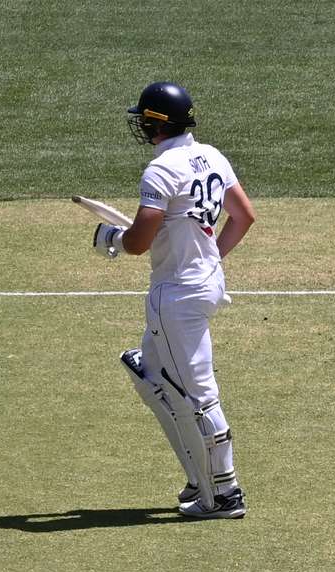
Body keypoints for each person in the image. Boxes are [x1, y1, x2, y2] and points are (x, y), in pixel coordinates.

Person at [93, 81, 256, 517]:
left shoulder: (161, 169)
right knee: (150, 375)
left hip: (177, 296)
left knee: (200, 395)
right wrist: (210, 260)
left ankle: (225, 495)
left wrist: (111, 240)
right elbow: (243, 216)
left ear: (154, 124)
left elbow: (140, 240)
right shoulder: (212, 156)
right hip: (203, 285)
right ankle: (200, 478)